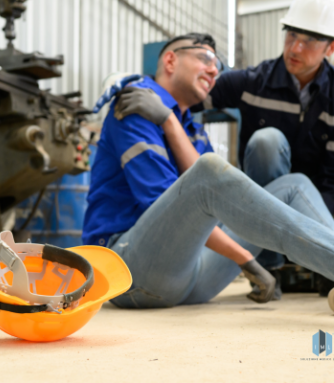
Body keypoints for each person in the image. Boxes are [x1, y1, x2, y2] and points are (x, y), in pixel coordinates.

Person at [82, 32, 334, 308]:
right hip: (130, 270)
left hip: (189, 271)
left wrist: (170, 121)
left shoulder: (192, 129)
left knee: (293, 185)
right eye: (205, 59)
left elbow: (209, 197)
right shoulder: (135, 104)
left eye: (218, 66)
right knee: (210, 170)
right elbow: (166, 198)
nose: (214, 70)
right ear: (169, 60)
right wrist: (245, 259)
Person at [190, 0, 334, 288]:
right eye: (291, 35)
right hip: (264, 200)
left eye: (308, 41)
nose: (295, 48)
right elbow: (189, 93)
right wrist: (142, 87)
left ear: (330, 48)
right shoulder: (254, 82)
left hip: (314, 203)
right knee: (267, 142)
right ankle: (269, 261)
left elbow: (332, 181)